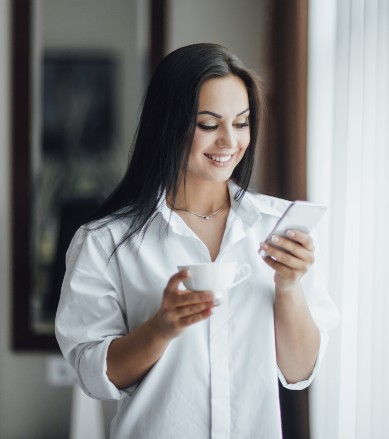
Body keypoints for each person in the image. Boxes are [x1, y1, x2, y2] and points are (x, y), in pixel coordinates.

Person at [56, 43, 340, 438]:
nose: (229, 142)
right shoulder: (106, 241)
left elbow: (300, 372)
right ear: (168, 124)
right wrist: (161, 327)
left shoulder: (279, 227)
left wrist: (289, 286)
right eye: (209, 124)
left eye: (241, 123)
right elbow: (94, 376)